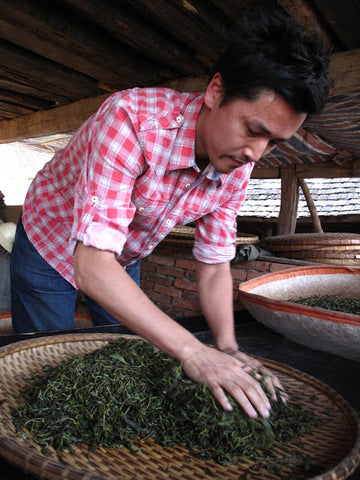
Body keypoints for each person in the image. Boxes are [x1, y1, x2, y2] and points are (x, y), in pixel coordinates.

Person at [10, 9, 329, 418]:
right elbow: (90, 265)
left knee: (124, 353)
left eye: (274, 143)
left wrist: (226, 347)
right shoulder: (131, 120)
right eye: (253, 130)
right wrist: (193, 350)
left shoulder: (237, 167)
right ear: (216, 91)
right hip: (50, 243)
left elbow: (214, 265)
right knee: (47, 368)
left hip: (120, 255)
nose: (256, 153)